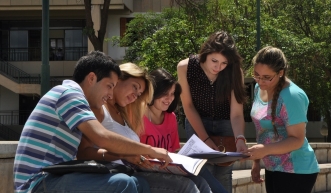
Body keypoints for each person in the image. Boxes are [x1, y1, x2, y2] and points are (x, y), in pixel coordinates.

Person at [13, 51, 172, 193]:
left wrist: (126, 154)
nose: (110, 95)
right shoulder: (69, 94)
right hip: (36, 183)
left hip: (54, 177)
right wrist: (151, 150)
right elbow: (101, 136)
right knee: (122, 184)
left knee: (141, 184)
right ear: (91, 78)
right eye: (109, 86)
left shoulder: (75, 97)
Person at [77, 63, 212, 193]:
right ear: (119, 79)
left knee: (199, 181)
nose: (135, 95)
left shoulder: (124, 115)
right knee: (185, 186)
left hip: (137, 172)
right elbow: (83, 153)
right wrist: (124, 154)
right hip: (119, 176)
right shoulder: (100, 108)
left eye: (139, 93)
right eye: (135, 87)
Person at [177, 31, 248, 192]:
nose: (218, 67)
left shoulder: (234, 71)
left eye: (224, 63)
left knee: (224, 172)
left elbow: (236, 113)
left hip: (226, 123)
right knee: (203, 172)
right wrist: (206, 139)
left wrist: (240, 139)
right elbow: (188, 106)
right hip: (197, 121)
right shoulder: (185, 67)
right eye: (214, 60)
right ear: (205, 53)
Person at [245, 46, 319, 193]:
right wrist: (256, 162)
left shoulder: (292, 96)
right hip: (273, 167)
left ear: (281, 73)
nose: (260, 81)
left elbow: (297, 139)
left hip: (296, 170)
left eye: (267, 77)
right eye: (257, 75)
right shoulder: (259, 89)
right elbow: (263, 130)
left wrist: (265, 150)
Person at [141, 68, 227, 193]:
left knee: (201, 179)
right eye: (165, 93)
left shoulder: (170, 117)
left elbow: (173, 151)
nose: (169, 99)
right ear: (153, 91)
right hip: (145, 171)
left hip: (166, 168)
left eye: (172, 94)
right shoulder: (138, 116)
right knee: (186, 185)